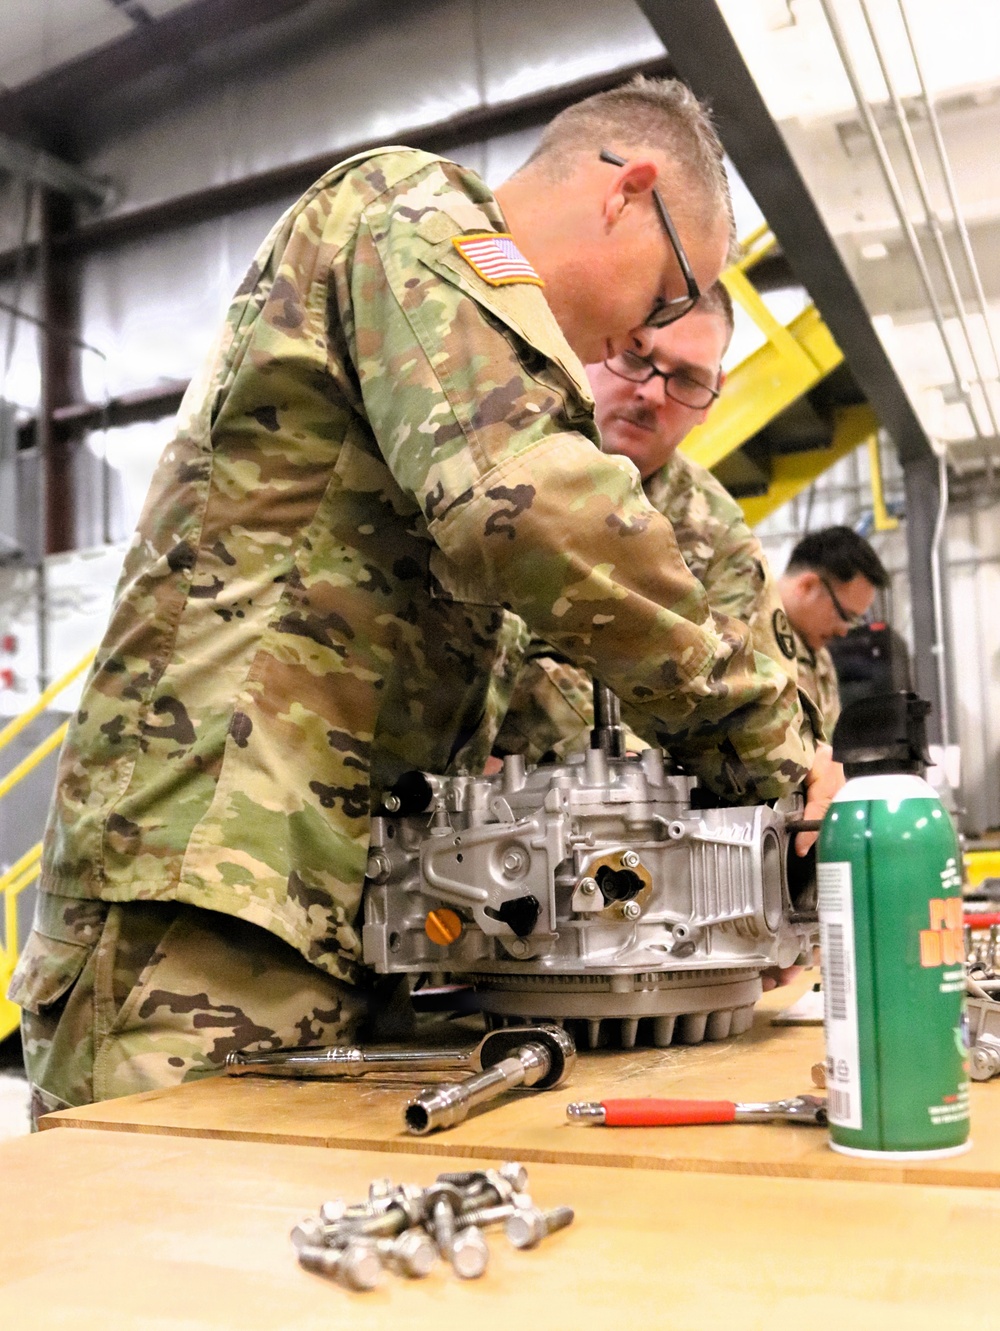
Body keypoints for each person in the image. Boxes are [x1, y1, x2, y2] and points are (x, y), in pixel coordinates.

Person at [11, 77, 828, 1117]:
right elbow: (527, 510)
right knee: (159, 1214)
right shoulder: (409, 214)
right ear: (628, 191)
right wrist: (766, 738)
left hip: (331, 910)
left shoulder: (488, 352)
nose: (638, 332)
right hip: (208, 896)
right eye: (665, 295)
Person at [493, 281, 822, 762]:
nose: (651, 393)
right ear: (595, 344)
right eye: (635, 358)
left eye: (687, 380)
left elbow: (761, 701)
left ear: (712, 397)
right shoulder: (497, 461)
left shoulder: (718, 535)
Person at [777, 527, 889, 738]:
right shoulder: (744, 639)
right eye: (844, 615)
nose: (843, 632)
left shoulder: (820, 657)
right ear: (807, 586)